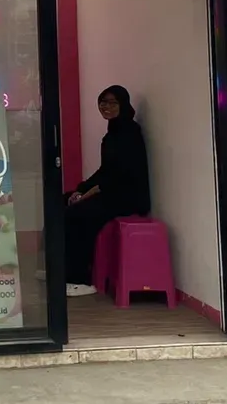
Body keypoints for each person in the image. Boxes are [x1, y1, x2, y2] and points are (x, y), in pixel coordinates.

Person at [64, 85, 151, 297]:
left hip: (127, 197)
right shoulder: (113, 133)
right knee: (61, 203)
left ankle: (79, 280)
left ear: (123, 104)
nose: (106, 107)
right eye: (103, 102)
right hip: (111, 192)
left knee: (77, 215)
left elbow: (119, 175)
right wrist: (80, 189)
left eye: (112, 102)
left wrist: (86, 195)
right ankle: (58, 268)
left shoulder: (129, 132)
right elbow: (105, 171)